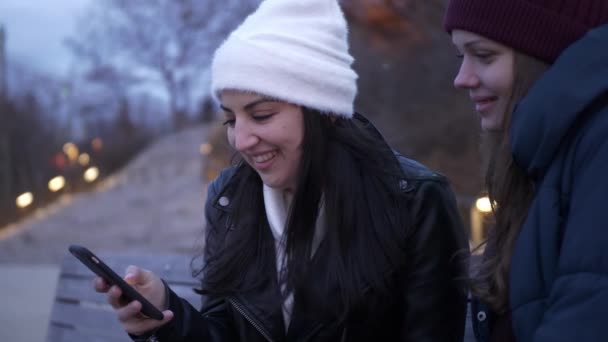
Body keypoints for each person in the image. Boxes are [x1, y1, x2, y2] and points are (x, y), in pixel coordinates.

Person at [95, 0, 469, 340]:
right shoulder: (229, 201)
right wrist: (166, 314)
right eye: (231, 119)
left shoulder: (415, 201)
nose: (241, 141)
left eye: (261, 115)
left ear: (323, 110)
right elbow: (224, 333)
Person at [444, 0, 608, 341]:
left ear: (548, 55)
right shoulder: (547, 160)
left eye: (484, 55)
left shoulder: (598, 143)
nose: (462, 79)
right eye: (462, 57)